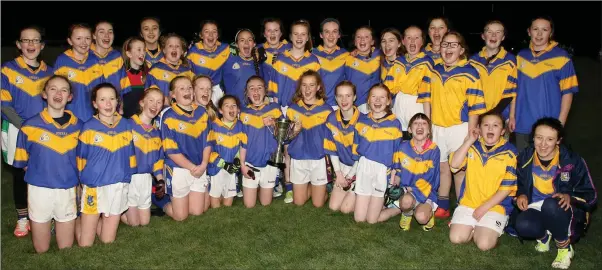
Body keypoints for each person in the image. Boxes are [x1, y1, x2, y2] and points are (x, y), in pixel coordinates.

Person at [513, 117, 597, 269]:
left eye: (550, 139)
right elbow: (517, 183)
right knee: (522, 224)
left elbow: (590, 195)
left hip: (562, 208)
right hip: (536, 206)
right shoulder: (524, 157)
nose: (543, 144)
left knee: (551, 205)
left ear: (559, 140)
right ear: (533, 138)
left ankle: (564, 248)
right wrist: (521, 194)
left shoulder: (572, 161)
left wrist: (570, 197)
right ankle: (544, 237)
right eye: (539, 138)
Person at [421, 31, 486, 219]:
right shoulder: (433, 70)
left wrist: (470, 133)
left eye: (453, 45)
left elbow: (475, 107)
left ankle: (462, 206)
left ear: (461, 50)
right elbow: (426, 98)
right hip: (437, 127)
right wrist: (428, 125)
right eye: (444, 45)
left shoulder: (470, 72)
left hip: (459, 127)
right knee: (442, 167)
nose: (448, 48)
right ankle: (443, 204)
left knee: (459, 168)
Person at [13, 75, 82, 253]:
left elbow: (84, 161)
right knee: (41, 249)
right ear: (44, 94)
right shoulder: (29, 126)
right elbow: (22, 162)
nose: (58, 93)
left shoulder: (80, 127)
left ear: (70, 97)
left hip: (67, 190)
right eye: (53, 89)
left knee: (66, 249)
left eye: (64, 90)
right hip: (39, 191)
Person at [1, 25, 54, 237]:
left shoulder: (49, 72)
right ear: (18, 45)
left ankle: (43, 216)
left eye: (35, 41)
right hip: (16, 129)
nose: (31, 45)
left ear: (42, 45)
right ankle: (23, 218)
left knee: (42, 173)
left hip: (43, 131)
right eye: (26, 40)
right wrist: (26, 127)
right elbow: (4, 105)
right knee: (19, 174)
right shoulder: (7, 70)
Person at [76, 83, 136, 246]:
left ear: (118, 102)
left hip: (118, 184)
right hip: (95, 186)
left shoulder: (125, 125)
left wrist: (128, 177)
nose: (108, 104)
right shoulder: (88, 127)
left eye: (112, 99)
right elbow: (80, 160)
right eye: (102, 99)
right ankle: (77, 220)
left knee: (107, 240)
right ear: (95, 104)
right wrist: (82, 183)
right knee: (85, 244)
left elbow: (130, 155)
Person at [448, 111, 517, 251]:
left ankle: (488, 229)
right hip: (469, 203)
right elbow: (454, 165)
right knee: (456, 239)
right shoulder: (473, 146)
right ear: (479, 129)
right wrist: (468, 141)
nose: (490, 129)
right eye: (486, 125)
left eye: (495, 125)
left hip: (495, 206)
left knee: (484, 245)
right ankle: (474, 228)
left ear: (503, 131)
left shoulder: (510, 152)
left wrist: (483, 209)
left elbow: (506, 189)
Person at [268, 20, 321, 203]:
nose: (299, 37)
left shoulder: (313, 61)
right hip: (284, 109)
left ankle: (310, 182)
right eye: (296, 34)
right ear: (290, 37)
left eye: (303, 34)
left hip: (304, 110)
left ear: (308, 37)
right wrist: (275, 110)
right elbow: (273, 88)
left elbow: (317, 87)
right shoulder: (280, 58)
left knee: (303, 146)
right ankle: (289, 185)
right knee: (287, 149)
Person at [510, 17, 578, 151]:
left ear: (550, 33)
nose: (539, 34)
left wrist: (559, 125)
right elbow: (513, 90)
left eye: (544, 30)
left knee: (547, 168)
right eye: (535, 29)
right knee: (523, 166)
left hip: (549, 125)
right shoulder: (520, 57)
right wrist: (511, 116)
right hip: (522, 123)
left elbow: (568, 93)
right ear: (529, 32)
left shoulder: (562, 58)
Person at [159, 76, 212, 221]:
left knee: (197, 212)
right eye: (181, 88)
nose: (187, 91)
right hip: (179, 168)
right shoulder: (168, 116)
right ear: (173, 95)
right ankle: (160, 202)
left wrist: (203, 165)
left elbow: (208, 142)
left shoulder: (202, 112)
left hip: (199, 167)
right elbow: (171, 151)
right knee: (180, 217)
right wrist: (192, 168)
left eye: (189, 87)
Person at [352, 83, 403, 224]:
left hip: (382, 170)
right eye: (374, 97)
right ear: (368, 100)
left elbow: (398, 150)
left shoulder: (394, 123)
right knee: (359, 218)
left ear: (388, 101)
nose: (377, 100)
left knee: (372, 220)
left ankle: (397, 208)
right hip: (364, 167)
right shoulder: (362, 120)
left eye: (382, 97)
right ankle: (379, 204)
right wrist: (353, 168)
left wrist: (396, 172)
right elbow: (355, 145)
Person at [380, 113, 439, 232]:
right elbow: (397, 169)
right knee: (404, 203)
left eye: (423, 124)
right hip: (407, 192)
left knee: (421, 218)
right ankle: (407, 213)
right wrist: (394, 183)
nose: (420, 126)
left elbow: (431, 177)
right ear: (409, 129)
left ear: (429, 131)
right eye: (416, 123)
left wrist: (410, 189)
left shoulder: (434, 150)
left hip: (425, 191)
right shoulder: (403, 147)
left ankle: (427, 212)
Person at [285, 70, 331, 207]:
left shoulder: (327, 110)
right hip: (299, 159)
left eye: (311, 85)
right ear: (300, 87)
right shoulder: (292, 109)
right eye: (304, 85)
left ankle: (323, 191)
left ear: (318, 87)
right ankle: (312, 189)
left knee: (318, 204)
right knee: (298, 202)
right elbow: (287, 138)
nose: (307, 89)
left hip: (318, 158)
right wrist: (294, 131)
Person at [121, 87, 165, 227]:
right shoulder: (127, 125)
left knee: (144, 222)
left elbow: (158, 160)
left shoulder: (156, 132)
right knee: (134, 223)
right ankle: (117, 210)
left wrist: (160, 181)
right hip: (129, 179)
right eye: (151, 100)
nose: (154, 105)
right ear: (142, 103)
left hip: (146, 179)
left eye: (159, 102)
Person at [239, 76, 282, 207]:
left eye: (259, 88)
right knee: (249, 205)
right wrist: (242, 164)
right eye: (252, 89)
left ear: (265, 90)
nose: (256, 92)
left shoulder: (275, 108)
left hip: (269, 162)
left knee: (265, 203)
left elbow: (284, 136)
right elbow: (241, 142)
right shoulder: (242, 113)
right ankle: (253, 186)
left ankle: (267, 185)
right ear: (247, 93)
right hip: (250, 163)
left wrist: (274, 123)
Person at [53, 23, 105, 122]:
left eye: (87, 38)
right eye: (78, 38)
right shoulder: (62, 61)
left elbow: (101, 90)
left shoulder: (96, 61)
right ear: (70, 41)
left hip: (93, 117)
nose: (84, 42)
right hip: (69, 116)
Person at [469, 20, 517, 122]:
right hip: (477, 115)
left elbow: (511, 94)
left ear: (503, 37)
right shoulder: (472, 61)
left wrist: (511, 116)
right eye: (489, 32)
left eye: (498, 32)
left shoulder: (510, 60)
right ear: (483, 36)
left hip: (501, 116)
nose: (493, 35)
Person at [324, 81, 360, 213]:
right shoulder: (331, 118)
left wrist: (350, 177)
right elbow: (331, 149)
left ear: (354, 97)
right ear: (335, 98)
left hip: (359, 169)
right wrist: (339, 174)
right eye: (340, 96)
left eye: (348, 96)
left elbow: (361, 156)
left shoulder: (363, 121)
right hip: (343, 167)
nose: (344, 100)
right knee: (333, 207)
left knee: (346, 209)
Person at [393, 26, 434, 138]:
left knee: (417, 138)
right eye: (409, 37)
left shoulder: (427, 62)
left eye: (416, 38)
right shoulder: (399, 61)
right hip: (399, 103)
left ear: (422, 42)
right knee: (399, 137)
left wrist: (427, 120)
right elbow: (389, 88)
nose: (412, 41)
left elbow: (427, 94)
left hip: (416, 103)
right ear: (403, 41)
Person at [207, 95, 247, 208]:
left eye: (234, 106)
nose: (231, 108)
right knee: (215, 203)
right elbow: (208, 150)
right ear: (220, 110)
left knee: (228, 203)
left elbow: (243, 145)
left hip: (231, 169)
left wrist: (237, 160)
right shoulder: (213, 126)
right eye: (227, 106)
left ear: (238, 109)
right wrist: (223, 164)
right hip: (217, 168)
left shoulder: (240, 126)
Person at [186, 20, 230, 104]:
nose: (211, 35)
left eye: (214, 31)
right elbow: (187, 72)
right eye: (206, 31)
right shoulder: (193, 51)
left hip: (218, 90)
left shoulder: (225, 49)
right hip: (200, 90)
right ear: (201, 35)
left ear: (218, 35)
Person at [145, 33, 194, 104]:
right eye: (170, 46)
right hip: (162, 110)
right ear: (164, 50)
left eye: (177, 46)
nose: (174, 48)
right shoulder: (155, 69)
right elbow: (149, 93)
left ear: (182, 51)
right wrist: (163, 100)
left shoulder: (188, 70)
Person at [314, 18, 349, 110]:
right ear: (321, 35)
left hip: (340, 106)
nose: (331, 36)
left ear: (339, 35)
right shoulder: (311, 55)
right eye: (327, 32)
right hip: (316, 106)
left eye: (334, 31)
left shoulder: (347, 55)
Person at [344, 26, 381, 113]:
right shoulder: (348, 59)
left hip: (376, 104)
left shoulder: (380, 55)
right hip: (355, 105)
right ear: (355, 42)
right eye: (359, 37)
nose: (362, 40)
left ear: (372, 41)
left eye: (366, 37)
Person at [222, 29, 263, 106]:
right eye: (242, 40)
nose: (246, 42)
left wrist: (260, 49)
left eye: (249, 40)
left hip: (252, 111)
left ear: (254, 44)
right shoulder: (228, 60)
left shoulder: (259, 63)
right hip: (233, 109)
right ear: (236, 44)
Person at [119, 37, 149, 118]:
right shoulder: (122, 75)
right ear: (129, 54)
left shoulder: (148, 75)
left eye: (144, 50)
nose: (142, 53)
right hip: (125, 121)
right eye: (139, 50)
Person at [91, 21, 123, 91]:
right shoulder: (85, 56)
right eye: (102, 32)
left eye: (110, 32)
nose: (107, 36)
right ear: (94, 35)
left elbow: (123, 87)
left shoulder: (117, 56)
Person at [258, 18, 291, 82]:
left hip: (286, 90)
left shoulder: (291, 48)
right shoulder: (258, 49)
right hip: (266, 91)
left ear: (281, 33)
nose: (272, 33)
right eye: (269, 30)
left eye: (276, 30)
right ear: (264, 34)